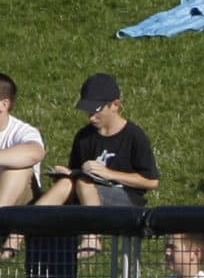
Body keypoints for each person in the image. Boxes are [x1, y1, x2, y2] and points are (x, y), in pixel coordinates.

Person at [33, 73, 160, 234]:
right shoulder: (84, 136)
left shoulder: (134, 136)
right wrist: (69, 173)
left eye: (96, 111)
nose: (91, 117)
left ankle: (91, 237)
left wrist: (109, 174)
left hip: (126, 199)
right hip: (85, 193)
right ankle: (19, 233)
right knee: (67, 183)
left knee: (83, 183)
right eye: (88, 111)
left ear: (115, 105)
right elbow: (77, 173)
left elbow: (151, 182)